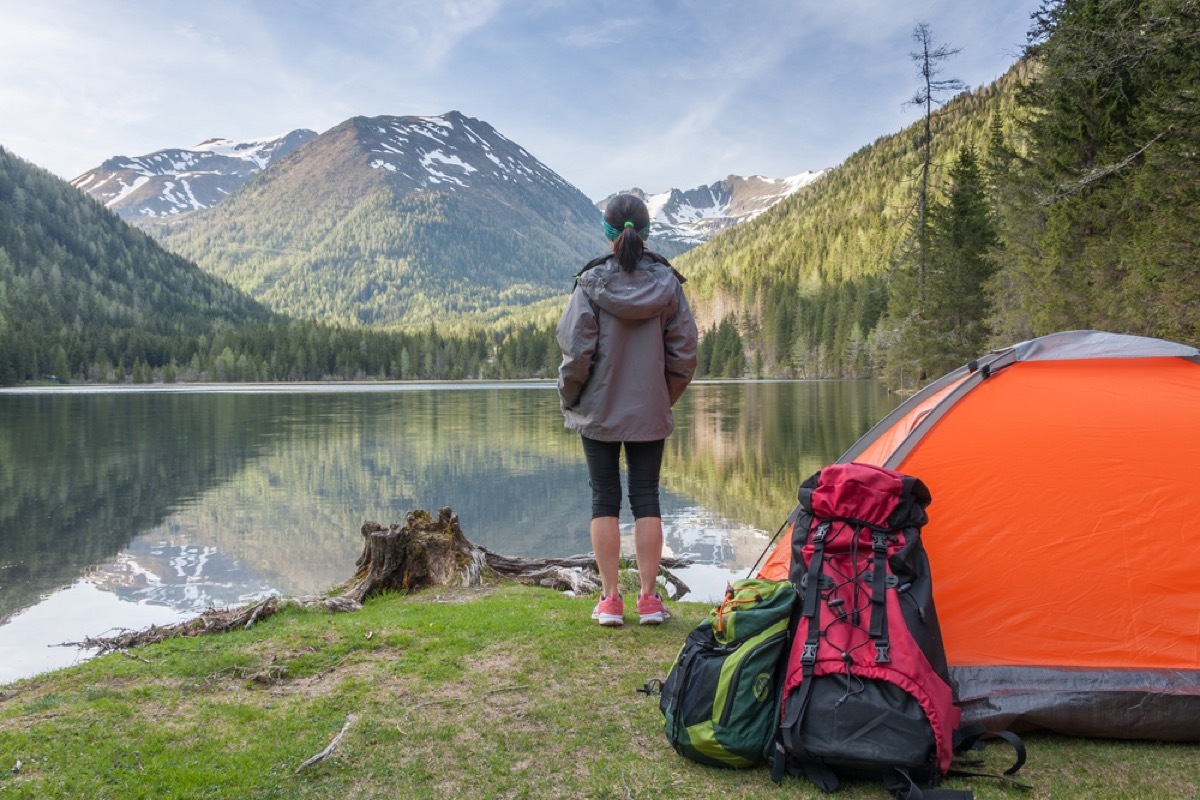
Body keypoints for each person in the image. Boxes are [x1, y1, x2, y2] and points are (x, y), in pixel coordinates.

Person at [555, 193, 698, 626]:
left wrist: (570, 395)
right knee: (647, 498)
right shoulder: (668, 284)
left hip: (597, 410)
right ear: (646, 230)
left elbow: (576, 352)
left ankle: (611, 600)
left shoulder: (591, 283)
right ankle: (651, 601)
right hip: (648, 411)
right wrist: (660, 396)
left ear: (607, 231)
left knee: (604, 499)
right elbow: (685, 355)